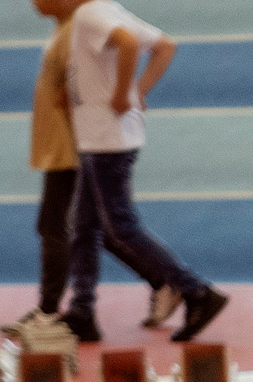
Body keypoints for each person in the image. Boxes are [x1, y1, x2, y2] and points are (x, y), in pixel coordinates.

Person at [55, 0, 227, 344]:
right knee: (84, 228)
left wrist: (124, 93)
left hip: (107, 140)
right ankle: (82, 311)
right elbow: (165, 45)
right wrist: (137, 91)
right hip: (101, 138)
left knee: (120, 227)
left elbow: (131, 44)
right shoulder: (106, 9)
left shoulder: (91, 14)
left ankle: (196, 292)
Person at [5, 0, 174, 346]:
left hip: (72, 145)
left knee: (56, 225)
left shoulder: (81, 27)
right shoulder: (67, 27)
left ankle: (49, 312)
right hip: (63, 143)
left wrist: (126, 96)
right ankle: (163, 282)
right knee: (98, 230)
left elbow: (95, 77)